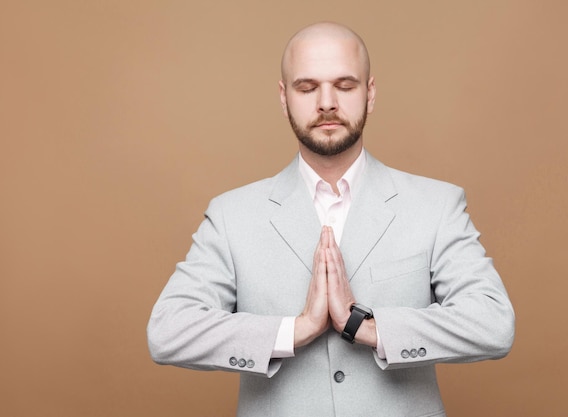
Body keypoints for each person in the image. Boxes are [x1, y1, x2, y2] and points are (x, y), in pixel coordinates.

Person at [147, 22, 515, 417]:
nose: (326, 103)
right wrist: (295, 330)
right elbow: (169, 331)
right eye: (307, 88)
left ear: (370, 94)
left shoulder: (436, 205)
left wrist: (366, 328)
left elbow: (492, 323)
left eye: (344, 85)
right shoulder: (231, 214)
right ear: (284, 96)